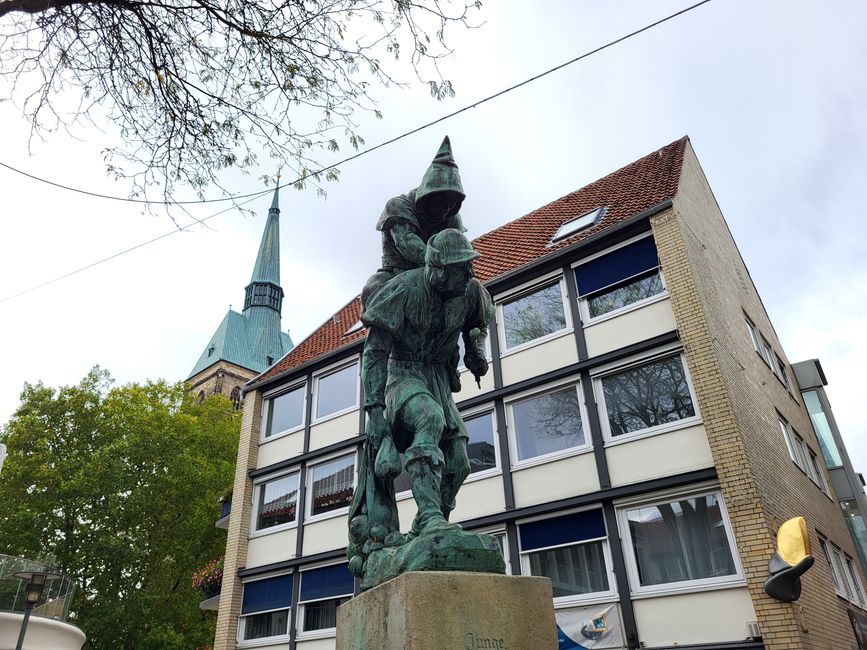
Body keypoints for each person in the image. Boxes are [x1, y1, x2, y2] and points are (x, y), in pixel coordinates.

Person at [347, 229, 493, 577]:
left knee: (459, 463)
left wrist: (476, 349)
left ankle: (424, 530)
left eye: (470, 267)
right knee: (428, 418)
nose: (470, 275)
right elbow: (375, 353)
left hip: (438, 378)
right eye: (462, 268)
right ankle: (430, 519)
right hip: (402, 375)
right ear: (438, 270)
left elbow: (478, 324)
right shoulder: (405, 289)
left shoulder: (470, 292)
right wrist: (375, 413)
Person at [361, 135, 467, 308]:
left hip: (437, 278)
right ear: (430, 194)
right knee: (371, 291)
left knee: (470, 294)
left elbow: (461, 247)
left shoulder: (452, 218)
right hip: (395, 274)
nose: (447, 208)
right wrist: (437, 260)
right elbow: (406, 241)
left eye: (453, 203)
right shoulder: (398, 205)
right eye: (444, 202)